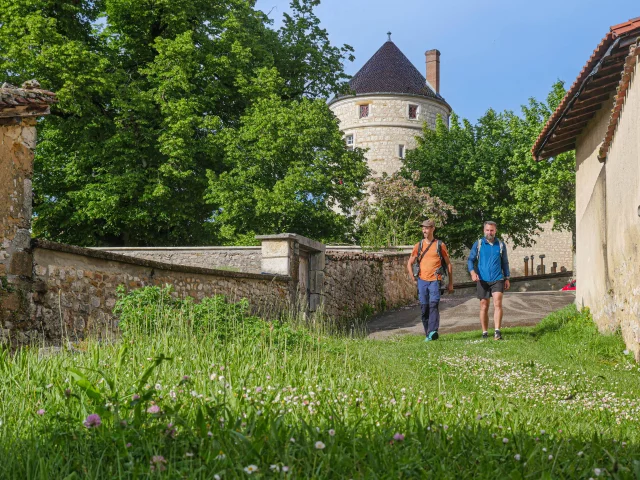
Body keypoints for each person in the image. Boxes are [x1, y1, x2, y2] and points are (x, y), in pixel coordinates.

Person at [407, 219, 453, 342]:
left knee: (433, 305)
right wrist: (413, 277)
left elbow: (448, 264)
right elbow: (409, 263)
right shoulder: (419, 245)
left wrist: (450, 283)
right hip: (422, 280)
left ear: (433, 228)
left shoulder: (440, 245)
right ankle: (429, 333)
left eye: (427, 228)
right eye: (423, 228)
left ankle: (433, 331)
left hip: (435, 280)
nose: (424, 230)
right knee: (424, 308)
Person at [467, 221, 511, 340]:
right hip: (482, 279)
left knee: (498, 302)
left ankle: (497, 331)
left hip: (497, 278)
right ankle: (485, 332)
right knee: (484, 305)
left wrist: (507, 277)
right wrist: (472, 272)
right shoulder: (479, 244)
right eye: (487, 230)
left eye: (491, 230)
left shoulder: (501, 245)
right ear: (484, 231)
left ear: (495, 231)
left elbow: (505, 262)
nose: (489, 232)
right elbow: (470, 260)